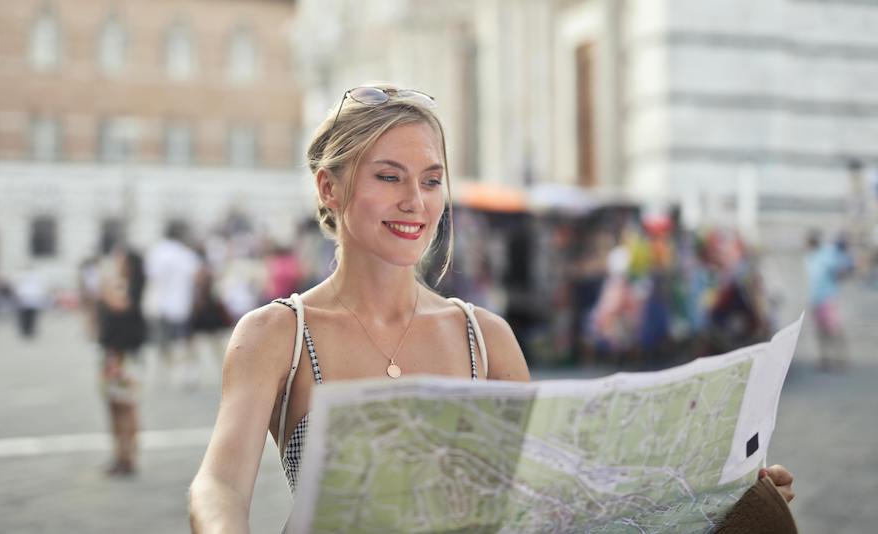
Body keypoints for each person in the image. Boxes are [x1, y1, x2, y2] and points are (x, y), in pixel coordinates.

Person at [187, 83, 794, 532]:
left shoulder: (485, 337)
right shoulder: (276, 335)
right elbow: (218, 483)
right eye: (389, 177)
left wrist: (719, 490)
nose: (415, 203)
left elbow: (554, 499)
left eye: (430, 180)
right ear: (329, 187)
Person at [97, 246, 147, 476]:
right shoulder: (122, 286)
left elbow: (118, 304)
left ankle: (128, 455)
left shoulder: (134, 288)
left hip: (125, 357)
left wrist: (105, 281)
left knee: (126, 406)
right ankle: (119, 454)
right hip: (112, 355)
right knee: (113, 406)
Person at [144, 222, 201, 382]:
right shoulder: (185, 253)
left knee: (164, 340)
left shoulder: (156, 251)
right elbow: (197, 275)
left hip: (160, 303)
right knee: (185, 339)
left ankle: (168, 369)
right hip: (183, 303)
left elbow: (151, 275)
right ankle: (187, 370)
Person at [805, 229, 853, 370]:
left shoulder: (827, 254)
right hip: (815, 298)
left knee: (834, 328)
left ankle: (841, 357)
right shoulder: (809, 256)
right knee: (820, 330)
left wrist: (837, 275)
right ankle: (824, 358)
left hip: (828, 298)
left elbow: (843, 268)